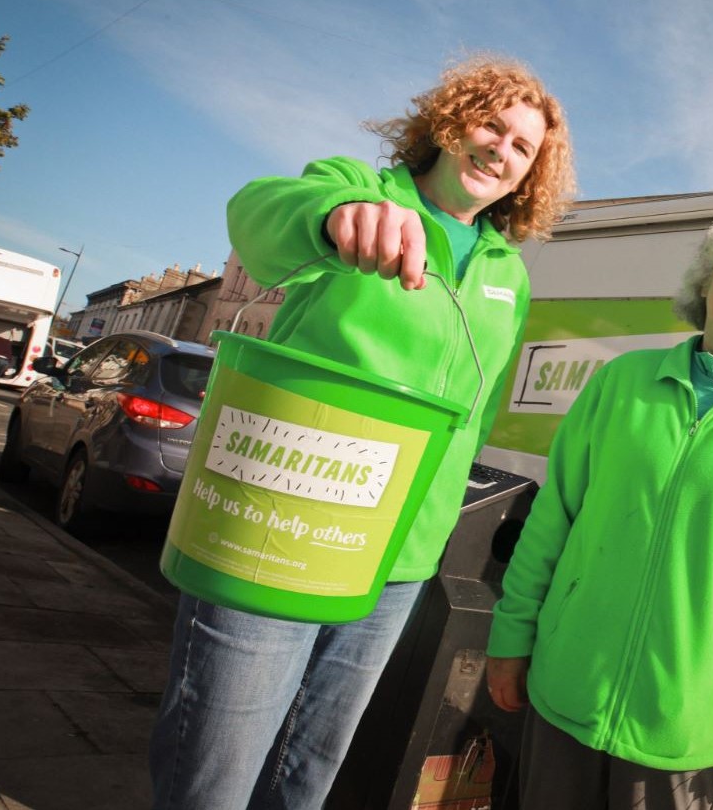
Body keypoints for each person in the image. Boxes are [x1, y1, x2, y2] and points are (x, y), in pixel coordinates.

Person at [149, 54, 576, 810]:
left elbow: (467, 419)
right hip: (282, 532)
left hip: (396, 561)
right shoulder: (364, 191)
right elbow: (257, 216)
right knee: (215, 778)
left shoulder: (507, 272)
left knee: (306, 775)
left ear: (528, 176)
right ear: (450, 121)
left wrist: (432, 533)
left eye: (522, 148)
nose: (501, 150)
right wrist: (329, 219)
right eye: (491, 125)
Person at [486, 206, 713, 810]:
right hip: (568, 685)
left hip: (683, 722)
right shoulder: (622, 381)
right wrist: (511, 635)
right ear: (705, 282)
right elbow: (553, 519)